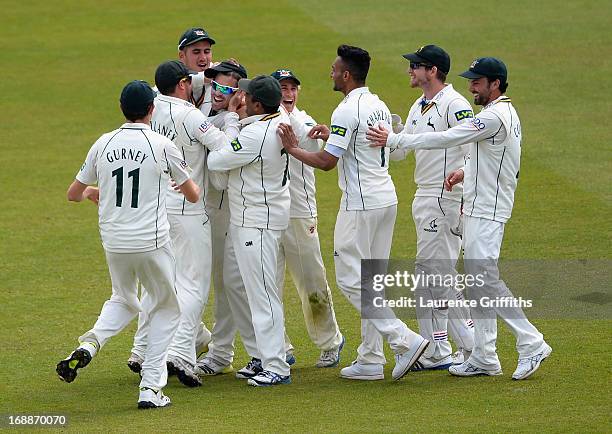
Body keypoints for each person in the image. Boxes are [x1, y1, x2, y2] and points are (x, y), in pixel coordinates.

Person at [367, 57, 552, 380]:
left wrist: (396, 139)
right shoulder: (498, 114)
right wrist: (465, 172)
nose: (471, 87)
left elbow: (447, 138)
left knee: (485, 280)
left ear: (495, 84)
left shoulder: (494, 117)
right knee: (480, 281)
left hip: (487, 208)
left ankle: (531, 340)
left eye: (478, 82)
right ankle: (484, 354)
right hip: (479, 203)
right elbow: (499, 158)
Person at [277, 45, 429, 381]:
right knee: (373, 279)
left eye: (334, 69)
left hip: (360, 204)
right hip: (385, 198)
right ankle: (372, 359)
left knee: (350, 278)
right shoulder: (377, 103)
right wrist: (334, 136)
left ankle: (404, 339)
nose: (330, 73)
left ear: (346, 75)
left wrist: (293, 148)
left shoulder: (345, 110)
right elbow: (359, 142)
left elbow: (327, 163)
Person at [56, 80, 200, 408]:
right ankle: (151, 388)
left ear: (122, 109)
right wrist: (185, 185)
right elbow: (192, 194)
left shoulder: (103, 143)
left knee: (123, 298)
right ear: (152, 109)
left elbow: (73, 194)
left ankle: (89, 346)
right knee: (167, 308)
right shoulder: (162, 145)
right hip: (151, 242)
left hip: (114, 242)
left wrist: (95, 192)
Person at [128, 60, 241, 387]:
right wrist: (232, 115)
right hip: (189, 209)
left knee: (161, 280)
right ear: (181, 84)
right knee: (193, 284)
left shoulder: (152, 106)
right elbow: (223, 146)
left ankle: (142, 347)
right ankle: (179, 352)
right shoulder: (190, 115)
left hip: (157, 209)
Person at [387, 45, 475, 370]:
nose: (410, 70)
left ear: (433, 71)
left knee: (435, 276)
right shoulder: (418, 106)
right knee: (434, 277)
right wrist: (392, 134)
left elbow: (474, 147)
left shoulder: (455, 104)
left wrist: (464, 174)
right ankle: (442, 348)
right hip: (424, 197)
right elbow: (400, 153)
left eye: (416, 66)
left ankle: (465, 347)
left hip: (445, 198)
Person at [207, 75, 292, 386]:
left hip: (255, 222)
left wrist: (231, 119)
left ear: (257, 104)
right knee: (248, 288)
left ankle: (276, 365)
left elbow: (217, 160)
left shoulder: (255, 134)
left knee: (263, 296)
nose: (240, 97)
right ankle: (264, 356)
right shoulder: (279, 119)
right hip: (263, 217)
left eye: (246, 96)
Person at [270, 68, 345, 368]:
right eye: (282, 88)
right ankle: (278, 346)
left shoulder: (305, 121)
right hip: (268, 214)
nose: (288, 94)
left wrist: (288, 122)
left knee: (312, 281)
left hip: (300, 213)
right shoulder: (265, 119)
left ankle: (331, 341)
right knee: (267, 284)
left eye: (292, 88)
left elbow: (316, 147)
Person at [194, 61, 248, 377]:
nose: (220, 93)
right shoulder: (205, 114)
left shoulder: (232, 121)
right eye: (217, 86)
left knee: (225, 284)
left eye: (228, 89)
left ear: (238, 93)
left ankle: (221, 352)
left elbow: (220, 180)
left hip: (224, 213)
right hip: (203, 212)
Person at [178, 27, 216, 114]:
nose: (203, 58)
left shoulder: (219, 76)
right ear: (182, 56)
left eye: (206, 52)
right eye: (196, 52)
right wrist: (204, 78)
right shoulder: (170, 75)